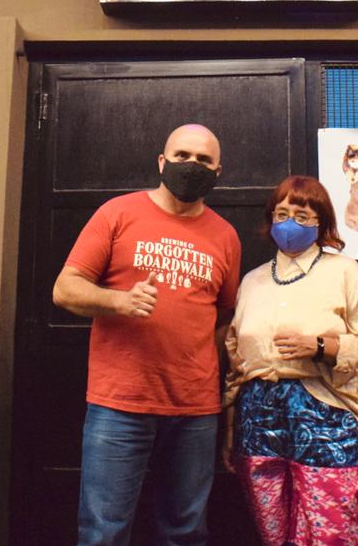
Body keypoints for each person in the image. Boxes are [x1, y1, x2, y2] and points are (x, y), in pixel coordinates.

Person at [53, 123, 242, 546]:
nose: (191, 165)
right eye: (181, 156)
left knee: (185, 533)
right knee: (103, 533)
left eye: (203, 160)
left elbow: (223, 317)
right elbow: (64, 290)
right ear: (161, 161)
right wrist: (120, 302)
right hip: (120, 405)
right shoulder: (117, 213)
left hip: (195, 410)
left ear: (217, 172)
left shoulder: (226, 236)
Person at [222, 175, 358, 546]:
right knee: (271, 529)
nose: (290, 222)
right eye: (281, 214)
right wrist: (229, 429)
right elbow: (235, 362)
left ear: (321, 223)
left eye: (302, 215)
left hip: (325, 412)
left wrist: (320, 346)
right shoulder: (252, 282)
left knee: (332, 528)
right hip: (257, 419)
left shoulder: (344, 272)